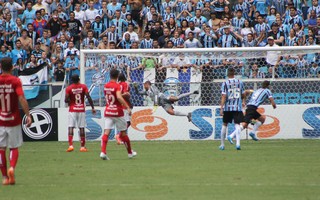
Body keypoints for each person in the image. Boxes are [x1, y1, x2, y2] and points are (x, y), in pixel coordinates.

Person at [0, 57, 32, 185]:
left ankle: (4, 177)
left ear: (1, 67)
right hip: (13, 119)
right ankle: (12, 168)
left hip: (1, 120)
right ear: (12, 67)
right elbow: (21, 98)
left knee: (1, 149)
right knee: (14, 147)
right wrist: (28, 115)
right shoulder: (15, 81)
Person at [100, 69, 136, 160]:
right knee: (123, 133)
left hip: (108, 110)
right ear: (117, 76)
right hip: (117, 112)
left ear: (110, 75)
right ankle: (130, 153)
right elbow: (119, 97)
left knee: (106, 132)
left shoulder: (105, 86)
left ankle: (103, 152)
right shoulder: (117, 86)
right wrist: (127, 107)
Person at [133, 81, 199, 122]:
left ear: (147, 84)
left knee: (176, 98)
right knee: (170, 112)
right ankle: (188, 114)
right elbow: (138, 93)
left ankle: (192, 92)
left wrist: (155, 104)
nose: (144, 86)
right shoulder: (146, 92)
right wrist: (135, 87)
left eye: (144, 84)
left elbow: (156, 94)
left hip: (163, 97)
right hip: (162, 103)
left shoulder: (152, 87)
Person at [65, 74, 96, 152]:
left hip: (72, 109)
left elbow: (66, 100)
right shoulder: (83, 87)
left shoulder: (69, 88)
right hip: (81, 109)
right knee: (81, 127)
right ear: (79, 79)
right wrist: (92, 107)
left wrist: (70, 101)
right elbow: (88, 97)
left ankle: (71, 145)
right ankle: (82, 147)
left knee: (70, 127)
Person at [219, 68, 246, 151]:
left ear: (227, 74)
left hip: (228, 107)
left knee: (224, 124)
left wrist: (221, 107)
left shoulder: (225, 83)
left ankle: (222, 145)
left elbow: (224, 96)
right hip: (237, 107)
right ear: (234, 73)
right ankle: (238, 144)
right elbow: (243, 93)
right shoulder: (240, 82)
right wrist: (243, 101)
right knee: (237, 124)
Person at [115, 73, 133, 145]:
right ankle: (119, 136)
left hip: (119, 105)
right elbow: (126, 93)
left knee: (122, 123)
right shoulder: (125, 84)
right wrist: (126, 94)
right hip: (125, 106)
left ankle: (121, 138)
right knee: (128, 123)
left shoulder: (117, 85)